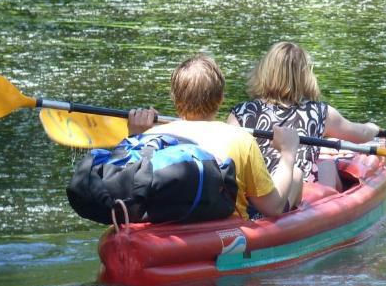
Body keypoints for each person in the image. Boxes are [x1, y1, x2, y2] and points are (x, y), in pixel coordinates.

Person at [128, 54, 300, 218]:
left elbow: (131, 189)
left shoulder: (151, 137)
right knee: (297, 174)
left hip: (167, 228)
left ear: (175, 98)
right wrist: (288, 153)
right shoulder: (241, 139)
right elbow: (273, 208)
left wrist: (135, 135)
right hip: (225, 230)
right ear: (221, 98)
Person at [227, 41, 380, 189]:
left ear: (264, 72)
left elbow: (227, 153)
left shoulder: (241, 112)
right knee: (326, 163)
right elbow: (361, 134)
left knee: (325, 161)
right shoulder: (320, 113)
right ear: (304, 76)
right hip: (298, 192)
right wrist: (373, 128)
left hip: (253, 190)